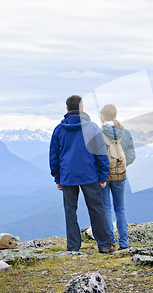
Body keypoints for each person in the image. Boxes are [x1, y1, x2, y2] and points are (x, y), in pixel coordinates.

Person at [49, 95, 115, 253]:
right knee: (97, 209)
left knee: (70, 211)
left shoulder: (59, 129)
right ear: (82, 108)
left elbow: (54, 156)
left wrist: (57, 177)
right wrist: (103, 175)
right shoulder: (91, 127)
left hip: (67, 175)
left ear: (67, 109)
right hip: (89, 174)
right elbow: (101, 153)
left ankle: (73, 247)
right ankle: (105, 245)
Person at [99, 104, 135, 249]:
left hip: (103, 177)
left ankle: (110, 242)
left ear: (103, 116)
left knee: (106, 207)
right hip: (120, 175)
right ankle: (124, 242)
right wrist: (121, 166)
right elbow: (131, 155)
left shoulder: (98, 133)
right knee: (120, 209)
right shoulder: (125, 133)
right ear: (115, 115)